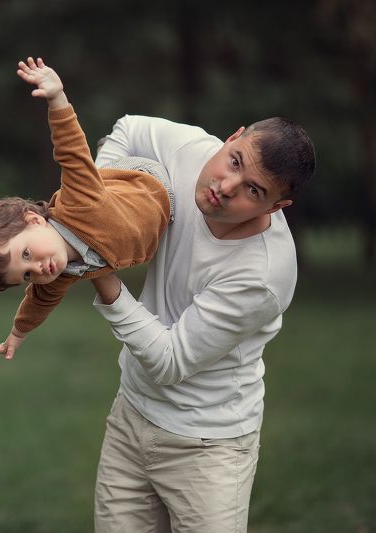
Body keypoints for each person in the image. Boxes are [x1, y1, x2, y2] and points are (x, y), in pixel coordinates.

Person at [88, 110, 315, 532]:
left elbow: (170, 361)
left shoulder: (263, 275)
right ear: (232, 137)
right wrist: (98, 213)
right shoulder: (190, 149)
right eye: (235, 161)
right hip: (131, 414)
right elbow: (127, 127)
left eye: (253, 189)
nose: (225, 187)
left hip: (207, 445)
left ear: (277, 205)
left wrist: (99, 271)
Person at [0, 57, 174, 361]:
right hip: (155, 229)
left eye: (26, 254)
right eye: (24, 275)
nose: (36, 269)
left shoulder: (77, 203)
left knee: (94, 171)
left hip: (155, 184)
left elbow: (71, 152)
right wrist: (17, 334)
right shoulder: (58, 274)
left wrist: (56, 98)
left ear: (34, 219)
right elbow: (36, 303)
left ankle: (110, 152)